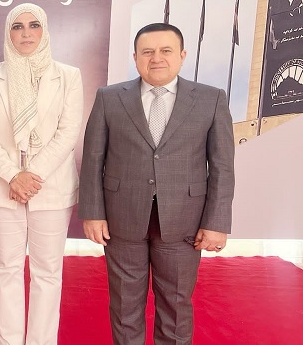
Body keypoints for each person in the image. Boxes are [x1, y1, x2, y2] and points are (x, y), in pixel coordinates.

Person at [78, 23, 235, 345]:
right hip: (121, 220)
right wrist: (92, 212)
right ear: (135, 57)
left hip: (184, 222)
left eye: (166, 51)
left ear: (182, 55)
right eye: (147, 52)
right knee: (125, 307)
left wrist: (216, 223)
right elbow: (93, 159)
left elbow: (222, 166)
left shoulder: (211, 99)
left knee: (176, 307)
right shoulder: (109, 98)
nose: (156, 58)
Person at [0, 3, 83, 345]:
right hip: (2, 187)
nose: (26, 33)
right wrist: (12, 176)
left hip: (50, 187)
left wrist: (31, 175)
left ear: (44, 30)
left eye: (34, 25)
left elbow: (69, 132)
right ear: (8, 33)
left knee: (47, 273)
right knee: (6, 269)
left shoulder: (68, 76)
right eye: (17, 26)